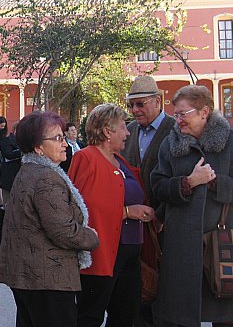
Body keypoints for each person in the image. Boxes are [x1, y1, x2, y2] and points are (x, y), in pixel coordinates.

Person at [0, 110, 99, 326]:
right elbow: (63, 231)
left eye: (63, 137)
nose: (65, 144)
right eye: (58, 138)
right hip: (48, 278)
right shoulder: (46, 179)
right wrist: (91, 237)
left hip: (30, 276)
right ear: (38, 147)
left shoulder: (30, 170)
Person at [151, 85, 233, 327]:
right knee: (180, 315)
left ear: (204, 112)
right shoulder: (170, 145)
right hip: (182, 243)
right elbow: (157, 185)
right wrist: (188, 183)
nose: (177, 120)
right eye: (176, 114)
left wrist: (214, 182)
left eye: (183, 114)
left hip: (222, 241)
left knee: (225, 313)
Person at [68, 103, 155, 327]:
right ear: (107, 131)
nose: (127, 132)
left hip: (130, 252)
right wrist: (126, 212)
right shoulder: (86, 158)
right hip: (103, 253)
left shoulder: (121, 161)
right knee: (90, 315)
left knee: (126, 315)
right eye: (123, 127)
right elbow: (81, 206)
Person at [120, 75, 175, 327]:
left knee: (164, 285)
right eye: (131, 105)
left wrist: (161, 216)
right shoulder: (128, 131)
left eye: (141, 104)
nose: (135, 110)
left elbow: (179, 176)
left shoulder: (174, 130)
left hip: (164, 223)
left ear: (157, 101)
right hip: (134, 223)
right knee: (138, 285)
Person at [0, 122, 21, 205]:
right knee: (8, 204)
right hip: (9, 177)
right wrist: (21, 152)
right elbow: (8, 154)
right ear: (15, 130)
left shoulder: (25, 142)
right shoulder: (7, 141)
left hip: (19, 178)